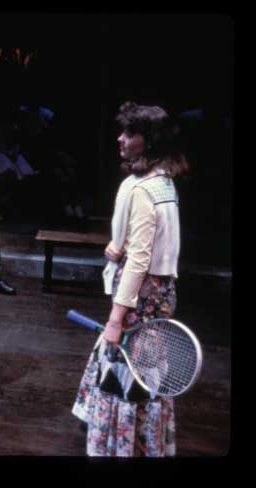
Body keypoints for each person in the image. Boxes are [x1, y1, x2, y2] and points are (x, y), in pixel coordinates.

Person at [71, 101, 189, 457]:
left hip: (142, 297)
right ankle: (140, 442)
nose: (120, 139)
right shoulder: (161, 182)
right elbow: (149, 242)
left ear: (149, 141)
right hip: (160, 293)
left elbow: (140, 260)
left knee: (130, 370)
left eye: (130, 133)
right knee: (142, 369)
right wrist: (117, 245)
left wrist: (115, 318)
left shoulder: (143, 189)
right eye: (122, 132)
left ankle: (122, 446)